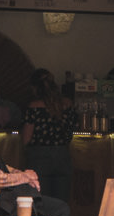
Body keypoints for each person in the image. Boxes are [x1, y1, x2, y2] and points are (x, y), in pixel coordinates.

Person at [20, 68, 77, 207]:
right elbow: (71, 131)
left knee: (40, 203)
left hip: (39, 157)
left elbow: (26, 138)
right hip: (63, 155)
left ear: (34, 88)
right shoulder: (67, 104)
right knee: (61, 204)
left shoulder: (34, 107)